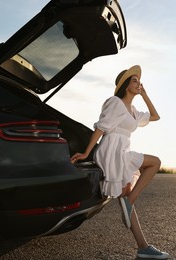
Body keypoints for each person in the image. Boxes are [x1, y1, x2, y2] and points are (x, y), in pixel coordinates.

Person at [70, 65, 169, 259]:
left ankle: (142, 247)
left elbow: (155, 116)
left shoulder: (133, 110)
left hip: (123, 149)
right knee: (155, 162)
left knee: (127, 194)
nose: (138, 83)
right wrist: (86, 153)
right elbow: (101, 128)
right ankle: (130, 205)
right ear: (124, 85)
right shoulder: (115, 102)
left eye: (138, 80)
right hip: (112, 150)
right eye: (134, 80)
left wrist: (145, 94)